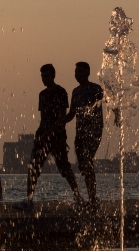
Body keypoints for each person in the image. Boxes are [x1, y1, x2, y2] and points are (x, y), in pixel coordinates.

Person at [14, 64, 83, 211]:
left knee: (64, 168)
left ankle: (78, 197)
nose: (44, 79)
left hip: (57, 137)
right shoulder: (42, 95)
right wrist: (40, 134)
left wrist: (49, 133)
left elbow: (61, 118)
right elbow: (43, 118)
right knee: (33, 167)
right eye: (42, 76)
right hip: (42, 137)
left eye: (46, 76)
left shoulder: (61, 92)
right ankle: (29, 200)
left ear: (52, 76)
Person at [70, 61, 106, 207]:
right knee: (83, 165)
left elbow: (109, 101)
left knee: (87, 161)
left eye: (80, 72)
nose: (77, 74)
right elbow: (72, 113)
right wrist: (59, 122)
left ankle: (92, 198)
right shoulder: (75, 91)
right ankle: (91, 196)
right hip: (80, 133)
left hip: (94, 131)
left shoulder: (95, 89)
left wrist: (116, 115)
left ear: (87, 73)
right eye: (76, 72)